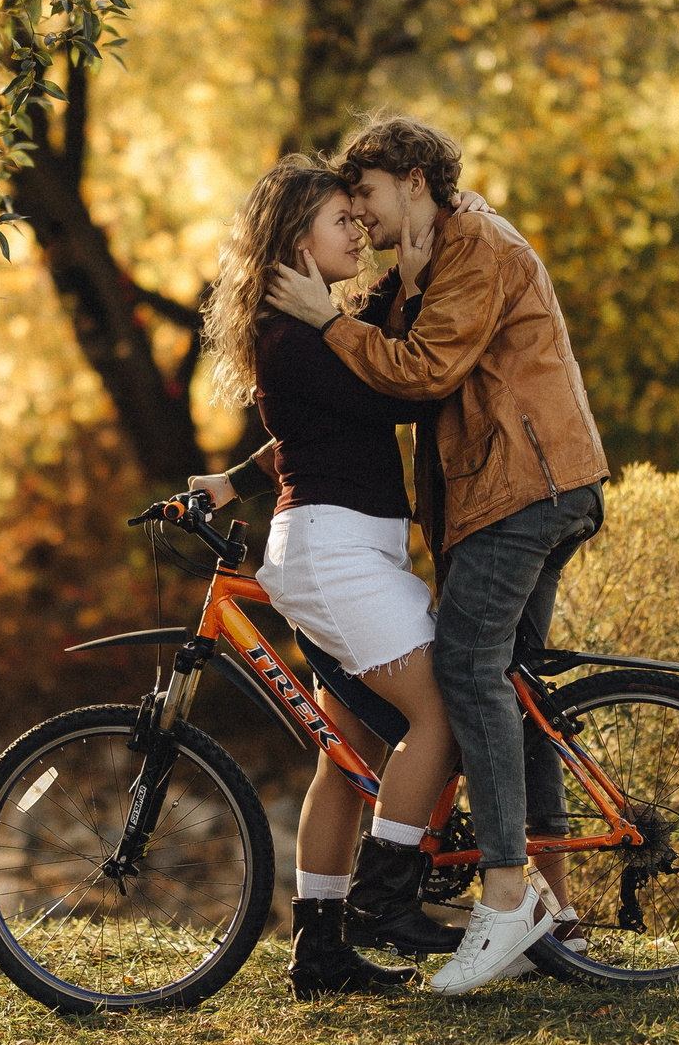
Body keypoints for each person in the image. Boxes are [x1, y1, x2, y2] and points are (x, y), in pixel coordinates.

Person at [262, 114, 608, 996]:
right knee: (499, 690)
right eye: (345, 209)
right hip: (492, 497)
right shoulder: (415, 267)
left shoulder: (469, 249)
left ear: (414, 181)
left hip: (521, 489)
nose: (360, 218)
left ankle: (500, 898)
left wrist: (332, 316)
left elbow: (416, 375)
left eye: (365, 196)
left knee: (466, 676)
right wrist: (238, 473)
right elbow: (333, 405)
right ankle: (549, 911)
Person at [188, 155, 460, 999]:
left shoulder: (306, 331)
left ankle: (319, 951)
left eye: (356, 214)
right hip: (333, 552)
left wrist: (233, 478)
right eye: (341, 219)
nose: (358, 231)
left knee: (348, 754)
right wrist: (398, 304)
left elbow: (312, 429)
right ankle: (388, 892)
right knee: (442, 711)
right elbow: (400, 396)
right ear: (296, 240)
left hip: (349, 549)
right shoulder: (295, 333)